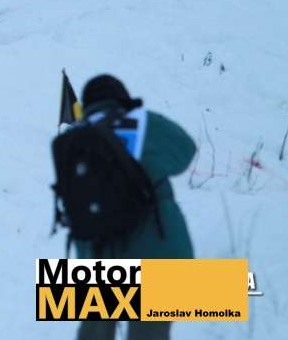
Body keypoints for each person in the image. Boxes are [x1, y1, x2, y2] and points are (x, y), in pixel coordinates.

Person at [54, 74, 198, 340]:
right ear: (121, 99)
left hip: (99, 255)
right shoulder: (140, 123)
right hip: (158, 251)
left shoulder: (74, 140)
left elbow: (78, 210)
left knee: (94, 333)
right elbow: (186, 151)